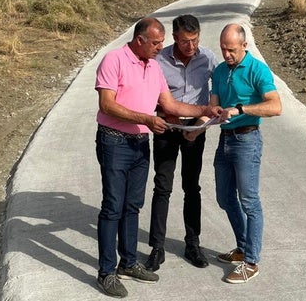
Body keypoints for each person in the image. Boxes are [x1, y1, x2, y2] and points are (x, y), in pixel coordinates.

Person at [94, 17, 222, 298]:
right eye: (155, 42)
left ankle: (128, 263)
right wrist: (147, 119)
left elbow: (170, 104)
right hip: (114, 141)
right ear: (139, 40)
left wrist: (206, 110)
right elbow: (107, 104)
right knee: (113, 207)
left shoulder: (153, 66)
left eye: (161, 42)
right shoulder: (113, 60)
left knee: (132, 206)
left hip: (139, 143)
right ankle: (106, 272)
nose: (159, 47)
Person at [144, 15, 218, 272]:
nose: (191, 46)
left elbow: (216, 95)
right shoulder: (159, 60)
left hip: (194, 129)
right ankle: (157, 248)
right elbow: (148, 95)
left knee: (192, 186)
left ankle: (193, 244)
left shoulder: (208, 58)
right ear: (174, 37)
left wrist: (202, 121)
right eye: (185, 41)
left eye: (195, 40)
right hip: (166, 127)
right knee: (162, 186)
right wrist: (161, 112)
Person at [210, 23, 282, 284]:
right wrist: (214, 112)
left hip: (247, 141)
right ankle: (242, 248)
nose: (227, 54)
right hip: (225, 140)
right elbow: (213, 103)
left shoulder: (257, 69)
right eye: (223, 49)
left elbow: (276, 106)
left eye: (231, 49)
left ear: (244, 46)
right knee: (224, 197)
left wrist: (241, 110)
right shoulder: (219, 71)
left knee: (249, 201)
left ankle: (251, 262)